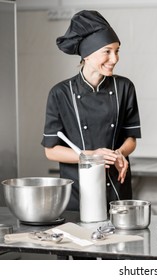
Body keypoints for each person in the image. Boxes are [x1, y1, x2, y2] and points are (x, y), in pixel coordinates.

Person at [42, 10, 141, 211]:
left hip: (117, 190)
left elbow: (131, 138)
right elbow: (51, 151)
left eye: (117, 50)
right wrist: (92, 156)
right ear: (86, 55)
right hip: (78, 191)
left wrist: (119, 154)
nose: (114, 59)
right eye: (107, 51)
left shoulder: (124, 87)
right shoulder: (60, 93)